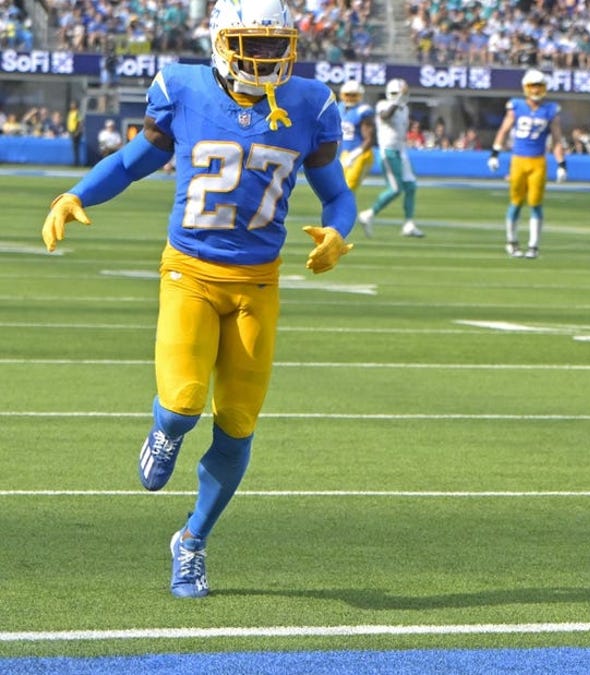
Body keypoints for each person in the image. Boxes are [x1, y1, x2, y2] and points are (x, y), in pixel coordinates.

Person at [39, 0, 356, 599]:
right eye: (250, 44)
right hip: (190, 270)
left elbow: (335, 192)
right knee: (184, 403)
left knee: (237, 426)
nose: (265, 56)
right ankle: (164, 430)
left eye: (274, 44)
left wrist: (341, 231)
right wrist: (74, 193)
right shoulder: (182, 88)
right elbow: (134, 162)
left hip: (259, 282)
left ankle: (191, 541)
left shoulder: (311, 104)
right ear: (219, 40)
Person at [487, 68, 567, 259]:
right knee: (515, 202)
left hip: (538, 161)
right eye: (533, 86)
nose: (536, 90)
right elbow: (504, 130)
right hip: (518, 160)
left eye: (539, 86)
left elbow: (557, 139)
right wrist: (495, 153)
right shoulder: (516, 106)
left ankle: (533, 246)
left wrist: (562, 164)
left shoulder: (551, 110)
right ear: (525, 87)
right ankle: (511, 241)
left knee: (536, 204)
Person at [356, 78, 424, 239]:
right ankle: (368, 214)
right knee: (395, 189)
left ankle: (409, 224)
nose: (399, 97)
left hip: (401, 151)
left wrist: (400, 102)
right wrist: (398, 101)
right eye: (396, 93)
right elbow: (385, 116)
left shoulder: (405, 109)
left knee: (411, 186)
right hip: (388, 152)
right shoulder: (383, 105)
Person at [337, 79, 376, 197]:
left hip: (361, 154)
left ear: (359, 95)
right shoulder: (339, 108)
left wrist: (353, 155)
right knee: (337, 189)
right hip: (345, 153)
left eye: (353, 95)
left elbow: (369, 139)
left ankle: (345, 215)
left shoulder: (363, 111)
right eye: (347, 94)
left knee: (347, 190)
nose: (350, 98)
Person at [67, 101, 83, 166]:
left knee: (76, 148)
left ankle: (76, 162)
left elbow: (80, 123)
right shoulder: (71, 113)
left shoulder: (77, 113)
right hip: (71, 131)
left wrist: (77, 131)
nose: (71, 106)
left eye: (73, 105)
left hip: (76, 132)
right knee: (74, 148)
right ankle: (75, 161)